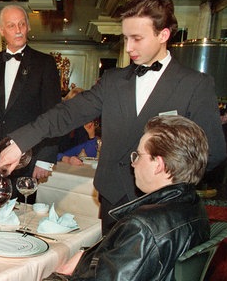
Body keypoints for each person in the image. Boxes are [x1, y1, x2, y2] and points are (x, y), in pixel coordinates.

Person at [0, 0, 226, 234]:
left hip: (162, 207)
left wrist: (165, 178)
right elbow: (67, 113)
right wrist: (21, 142)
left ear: (163, 35)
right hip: (112, 199)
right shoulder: (114, 80)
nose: (128, 48)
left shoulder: (195, 85)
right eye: (126, 38)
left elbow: (213, 152)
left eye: (137, 38)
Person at [44, 115, 210, 280]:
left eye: (138, 155)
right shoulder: (195, 207)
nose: (133, 163)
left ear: (158, 165)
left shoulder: (142, 228)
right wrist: (87, 260)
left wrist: (60, 275)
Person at [0, 4, 62, 201]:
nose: (18, 30)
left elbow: (53, 115)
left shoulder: (45, 64)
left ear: (28, 27)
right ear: (2, 31)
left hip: (27, 157)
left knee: (21, 217)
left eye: (21, 24)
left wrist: (44, 159)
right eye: (11, 26)